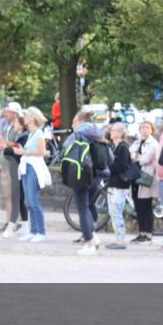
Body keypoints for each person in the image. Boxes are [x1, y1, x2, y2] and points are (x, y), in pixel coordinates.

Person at [66, 109, 104, 254]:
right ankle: (93, 237)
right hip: (97, 174)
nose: (72, 124)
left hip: (81, 173)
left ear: (81, 121)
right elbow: (110, 157)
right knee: (87, 207)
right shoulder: (99, 134)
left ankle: (89, 244)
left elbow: (66, 152)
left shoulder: (78, 134)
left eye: (74, 121)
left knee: (82, 208)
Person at [12, 107, 51, 242]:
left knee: (34, 200)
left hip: (33, 168)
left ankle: (40, 231)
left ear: (33, 117)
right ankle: (34, 230)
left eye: (27, 115)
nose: (25, 117)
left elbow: (42, 152)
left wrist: (24, 152)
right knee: (28, 201)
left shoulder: (39, 134)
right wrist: (23, 152)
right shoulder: (31, 134)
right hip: (26, 167)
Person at [0, 102, 24, 235]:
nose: (6, 113)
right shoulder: (6, 125)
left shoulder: (19, 127)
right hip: (5, 162)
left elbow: (18, 145)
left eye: (8, 111)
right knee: (7, 195)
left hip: (15, 163)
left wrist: (3, 141)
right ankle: (9, 221)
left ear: (15, 113)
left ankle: (19, 222)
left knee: (16, 195)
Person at [104, 122, 132, 250]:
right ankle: (118, 238)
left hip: (120, 185)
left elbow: (122, 166)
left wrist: (108, 164)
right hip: (112, 183)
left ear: (120, 133)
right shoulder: (112, 147)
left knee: (117, 212)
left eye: (114, 130)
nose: (111, 132)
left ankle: (121, 241)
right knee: (112, 212)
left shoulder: (123, 148)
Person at [130, 120, 159, 244]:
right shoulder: (136, 142)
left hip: (147, 177)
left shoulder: (153, 143)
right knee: (138, 205)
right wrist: (136, 158)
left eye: (147, 127)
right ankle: (141, 233)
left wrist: (136, 158)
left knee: (146, 205)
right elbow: (130, 155)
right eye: (142, 127)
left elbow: (146, 159)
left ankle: (148, 234)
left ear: (152, 129)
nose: (144, 129)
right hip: (135, 176)